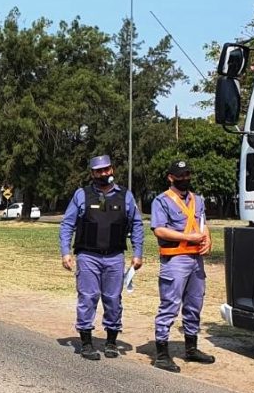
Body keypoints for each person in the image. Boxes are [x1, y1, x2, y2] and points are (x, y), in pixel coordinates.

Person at [59, 154, 144, 361]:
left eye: (106, 169)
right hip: (88, 256)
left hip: (115, 257)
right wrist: (65, 252)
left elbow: (137, 225)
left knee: (113, 300)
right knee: (87, 298)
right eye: (98, 171)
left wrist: (138, 253)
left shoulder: (125, 196)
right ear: (92, 174)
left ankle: (111, 341)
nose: (103, 174)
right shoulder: (82, 195)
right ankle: (86, 342)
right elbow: (67, 224)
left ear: (112, 170)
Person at [151, 160, 217, 372]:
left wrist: (207, 238)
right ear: (171, 177)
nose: (185, 179)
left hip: (196, 260)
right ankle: (161, 353)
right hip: (175, 259)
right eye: (180, 175)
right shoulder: (161, 201)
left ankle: (191, 348)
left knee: (194, 304)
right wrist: (188, 237)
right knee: (170, 305)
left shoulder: (198, 200)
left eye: (187, 174)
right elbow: (159, 230)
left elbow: (202, 223)